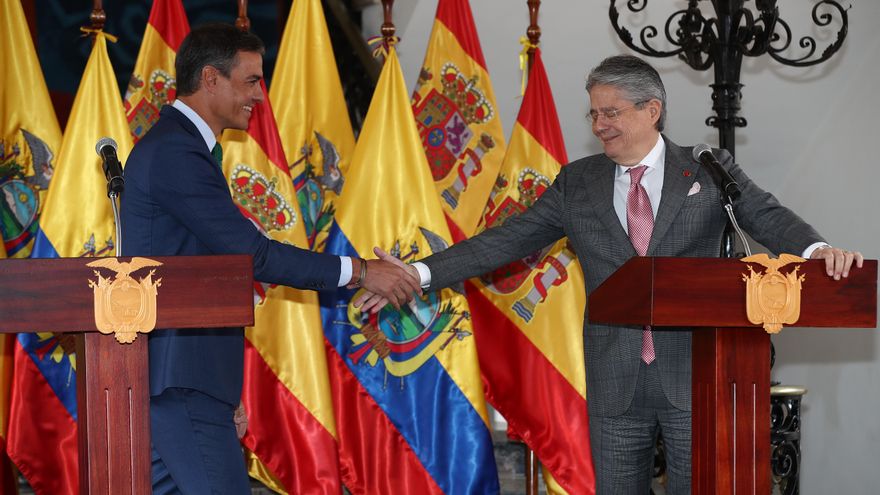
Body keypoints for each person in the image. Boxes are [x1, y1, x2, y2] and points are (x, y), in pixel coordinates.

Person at [358, 55, 863, 494]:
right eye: (594, 113)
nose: (599, 124)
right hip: (615, 378)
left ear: (652, 111)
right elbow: (505, 240)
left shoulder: (707, 168)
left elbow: (764, 214)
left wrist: (817, 249)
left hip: (697, 373)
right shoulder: (578, 182)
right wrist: (419, 273)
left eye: (611, 112)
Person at [121, 23, 419, 494]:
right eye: (251, 80)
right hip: (181, 382)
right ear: (210, 79)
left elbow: (204, 272)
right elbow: (253, 255)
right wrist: (362, 271)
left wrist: (221, 391)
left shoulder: (182, 147)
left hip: (186, 381)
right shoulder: (176, 152)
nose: (260, 95)